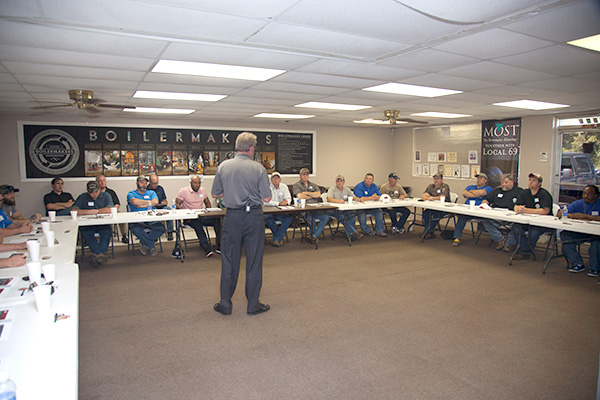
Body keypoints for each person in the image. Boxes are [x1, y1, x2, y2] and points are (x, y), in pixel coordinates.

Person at [211, 132, 271, 316]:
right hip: (253, 216)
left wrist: (231, 192)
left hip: (232, 217)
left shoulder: (224, 166)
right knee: (253, 261)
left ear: (237, 147)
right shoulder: (259, 168)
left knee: (229, 260)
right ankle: (253, 305)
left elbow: (215, 194)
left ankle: (225, 304)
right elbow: (267, 197)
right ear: (252, 148)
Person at [512, 173, 553, 260]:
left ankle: (525, 251)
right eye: (530, 180)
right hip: (526, 220)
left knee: (533, 232)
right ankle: (525, 249)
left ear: (539, 183)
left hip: (542, 222)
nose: (531, 182)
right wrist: (518, 208)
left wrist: (526, 210)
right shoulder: (524, 192)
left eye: (534, 181)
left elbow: (545, 211)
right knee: (516, 227)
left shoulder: (544, 194)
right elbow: (516, 206)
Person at [72, 181, 114, 268]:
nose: (94, 195)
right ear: (87, 191)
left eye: (96, 192)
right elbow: (73, 211)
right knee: (87, 234)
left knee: (106, 232)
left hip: (102, 223)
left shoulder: (106, 195)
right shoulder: (82, 197)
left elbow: (110, 209)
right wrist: (88, 212)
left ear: (99, 189)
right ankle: (100, 254)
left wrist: (97, 211)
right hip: (87, 225)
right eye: (91, 193)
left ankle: (97, 255)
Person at [561, 185, 600, 277]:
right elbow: (560, 213)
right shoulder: (578, 203)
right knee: (565, 235)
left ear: (595, 196)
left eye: (589, 194)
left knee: (597, 242)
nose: (586, 196)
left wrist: (586, 217)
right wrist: (572, 215)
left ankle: (594, 268)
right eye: (584, 193)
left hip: (595, 233)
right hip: (579, 232)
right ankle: (577, 263)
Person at [175, 175, 217, 257]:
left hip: (201, 215)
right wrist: (186, 213)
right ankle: (206, 247)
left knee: (217, 220)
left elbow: (207, 202)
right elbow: (177, 204)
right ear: (190, 183)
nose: (197, 185)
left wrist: (208, 212)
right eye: (195, 183)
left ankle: (220, 245)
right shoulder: (183, 191)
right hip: (190, 218)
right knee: (198, 224)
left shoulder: (202, 190)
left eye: (199, 183)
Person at [480, 173, 522, 251]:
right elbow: (487, 199)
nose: (503, 184)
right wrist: (484, 203)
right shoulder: (497, 191)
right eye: (502, 182)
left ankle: (509, 244)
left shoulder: (519, 192)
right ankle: (500, 239)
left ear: (512, 182)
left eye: (506, 182)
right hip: (496, 216)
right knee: (485, 220)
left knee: (517, 224)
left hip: (511, 218)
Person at [127, 176, 166, 256]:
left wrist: (140, 204)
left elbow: (155, 202)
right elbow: (134, 202)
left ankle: (144, 242)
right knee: (135, 229)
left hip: (151, 219)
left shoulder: (151, 193)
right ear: (137, 183)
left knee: (162, 228)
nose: (144, 185)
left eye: (145, 183)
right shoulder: (131, 194)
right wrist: (149, 203)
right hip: (137, 220)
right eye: (142, 183)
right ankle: (151, 245)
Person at [452, 173, 493, 247]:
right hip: (467, 210)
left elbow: (483, 193)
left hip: (479, 212)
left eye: (481, 178)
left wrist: (471, 192)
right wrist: (478, 194)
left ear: (485, 180)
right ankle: (457, 238)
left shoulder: (488, 188)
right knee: (461, 217)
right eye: (478, 178)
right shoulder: (471, 186)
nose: (478, 180)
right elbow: (464, 193)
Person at [292, 168, 329, 245]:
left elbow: (318, 194)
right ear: (300, 175)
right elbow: (300, 196)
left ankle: (314, 236)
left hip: (315, 209)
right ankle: (314, 236)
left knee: (325, 217)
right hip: (304, 210)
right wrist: (312, 195)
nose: (305, 176)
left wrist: (306, 193)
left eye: (306, 174)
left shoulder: (313, 185)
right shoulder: (296, 185)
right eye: (303, 174)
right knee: (311, 219)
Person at [326, 175, 363, 241]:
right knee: (342, 216)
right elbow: (329, 199)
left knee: (352, 214)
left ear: (344, 182)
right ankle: (354, 232)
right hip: (334, 210)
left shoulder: (347, 189)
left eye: (341, 181)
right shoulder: (332, 189)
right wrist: (338, 201)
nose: (339, 182)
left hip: (345, 209)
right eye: (338, 181)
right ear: (335, 182)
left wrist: (359, 199)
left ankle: (350, 233)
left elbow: (354, 197)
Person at [263, 172, 292, 247]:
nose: (275, 180)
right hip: (268, 211)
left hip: (280, 211)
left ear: (280, 179)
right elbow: (265, 202)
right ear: (271, 179)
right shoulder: (266, 187)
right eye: (274, 178)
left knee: (288, 219)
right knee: (267, 218)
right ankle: (278, 238)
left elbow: (288, 198)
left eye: (277, 178)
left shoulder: (284, 187)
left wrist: (286, 202)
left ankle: (276, 238)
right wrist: (278, 203)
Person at [96, 175, 128, 245]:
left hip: (111, 211)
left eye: (103, 180)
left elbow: (117, 204)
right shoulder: (94, 193)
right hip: (99, 212)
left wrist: (113, 210)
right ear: (97, 182)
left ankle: (124, 235)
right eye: (100, 181)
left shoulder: (111, 192)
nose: (102, 182)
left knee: (121, 216)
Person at [421, 173, 451, 239]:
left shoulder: (444, 186)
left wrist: (433, 197)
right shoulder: (431, 186)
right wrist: (428, 198)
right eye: (435, 179)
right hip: (433, 207)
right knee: (426, 213)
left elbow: (442, 197)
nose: (436, 181)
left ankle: (427, 231)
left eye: (438, 179)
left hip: (444, 208)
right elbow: (423, 195)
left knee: (435, 216)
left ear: (442, 180)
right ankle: (430, 231)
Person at [148, 173, 174, 241]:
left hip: (160, 206)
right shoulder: (146, 190)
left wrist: (164, 203)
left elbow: (164, 199)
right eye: (154, 183)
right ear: (150, 182)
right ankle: (154, 232)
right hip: (151, 207)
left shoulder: (160, 188)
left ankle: (170, 231)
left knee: (168, 209)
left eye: (156, 183)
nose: (155, 185)